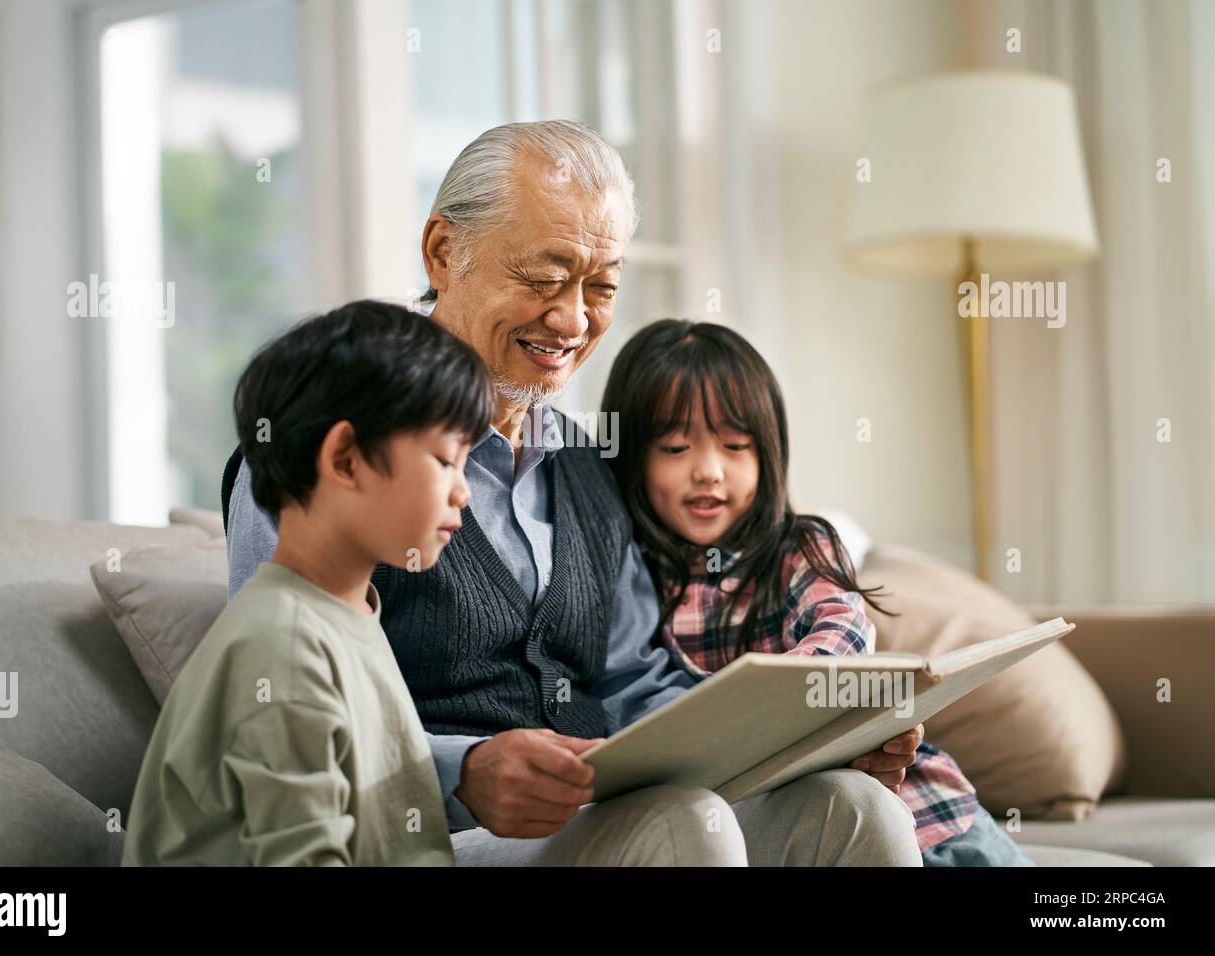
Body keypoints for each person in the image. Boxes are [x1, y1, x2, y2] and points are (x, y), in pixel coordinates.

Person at [226, 120, 924, 865]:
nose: (573, 318)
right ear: (442, 251)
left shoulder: (592, 469)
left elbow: (629, 679)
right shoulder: (329, 459)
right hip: (420, 838)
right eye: (545, 277)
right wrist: (462, 772)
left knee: (856, 809)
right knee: (684, 826)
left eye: (601, 286)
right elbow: (283, 713)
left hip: (596, 821)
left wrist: (801, 743)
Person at [600, 318, 1036, 866]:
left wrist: (784, 705)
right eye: (675, 446)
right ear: (633, 457)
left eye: (736, 445)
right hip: (791, 827)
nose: (708, 471)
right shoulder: (623, 577)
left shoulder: (799, 548)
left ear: (770, 453)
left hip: (927, 815)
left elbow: (844, 628)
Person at [124, 300, 492, 865]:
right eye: (446, 460)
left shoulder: (346, 613)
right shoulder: (285, 644)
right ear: (344, 459)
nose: (463, 491)